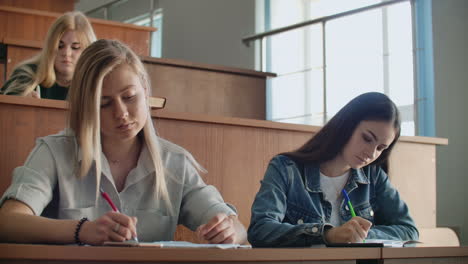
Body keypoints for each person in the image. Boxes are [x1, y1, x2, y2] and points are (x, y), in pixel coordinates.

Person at [0, 39, 247, 245]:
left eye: (129, 97)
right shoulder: (53, 152)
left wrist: (227, 230)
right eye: (103, 103)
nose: (121, 113)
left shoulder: (175, 162)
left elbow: (235, 227)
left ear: (145, 91)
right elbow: (7, 222)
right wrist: (82, 230)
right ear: (86, 107)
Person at [247, 92, 418, 247]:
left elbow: (409, 230)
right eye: (367, 138)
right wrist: (328, 234)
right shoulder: (286, 169)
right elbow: (260, 230)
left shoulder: (374, 176)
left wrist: (360, 234)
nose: (371, 153)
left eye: (381, 148)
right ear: (347, 125)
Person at [0, 11, 96, 99]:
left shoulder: (96, 83)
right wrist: (21, 102)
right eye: (60, 46)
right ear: (50, 47)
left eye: (75, 47)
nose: (66, 53)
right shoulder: (27, 74)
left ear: (88, 51)